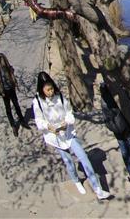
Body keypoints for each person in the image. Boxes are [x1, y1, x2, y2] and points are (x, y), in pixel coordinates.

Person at [32, 72, 111, 200]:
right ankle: (76, 181)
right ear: (41, 89)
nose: (51, 92)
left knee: (83, 157)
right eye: (47, 90)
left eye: (51, 88)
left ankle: (98, 189)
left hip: (68, 132)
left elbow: (69, 113)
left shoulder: (60, 97)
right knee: (69, 162)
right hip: (55, 137)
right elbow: (39, 121)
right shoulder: (38, 103)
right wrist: (48, 126)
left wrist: (66, 122)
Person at [0, 45, 30, 136]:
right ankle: (13, 126)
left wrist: (12, 73)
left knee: (16, 105)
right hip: (3, 89)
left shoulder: (2, 57)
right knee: (8, 109)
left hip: (10, 86)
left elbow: (9, 67)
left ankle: (23, 121)